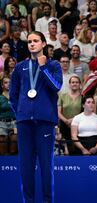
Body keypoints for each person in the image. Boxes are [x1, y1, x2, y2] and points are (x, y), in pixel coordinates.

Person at [9, 31, 62, 203]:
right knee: (26, 167)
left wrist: (43, 67)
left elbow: (56, 87)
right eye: (29, 41)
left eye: (36, 41)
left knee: (46, 167)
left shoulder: (53, 65)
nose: (32, 44)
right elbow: (13, 95)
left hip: (45, 123)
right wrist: (22, 113)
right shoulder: (19, 68)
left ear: (44, 44)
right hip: (25, 123)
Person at [57, 75, 82, 155]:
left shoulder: (83, 96)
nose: (74, 84)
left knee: (77, 147)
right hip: (64, 124)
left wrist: (73, 120)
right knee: (65, 148)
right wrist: (66, 121)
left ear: (80, 84)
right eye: (73, 82)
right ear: (69, 84)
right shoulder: (62, 96)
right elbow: (58, 112)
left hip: (79, 124)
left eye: (77, 82)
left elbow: (85, 111)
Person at [0, 76, 16, 155]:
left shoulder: (16, 97)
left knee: (14, 141)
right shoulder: (0, 98)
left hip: (14, 122)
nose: (8, 84)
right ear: (2, 85)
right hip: (2, 123)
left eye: (10, 82)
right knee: (3, 144)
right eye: (6, 82)